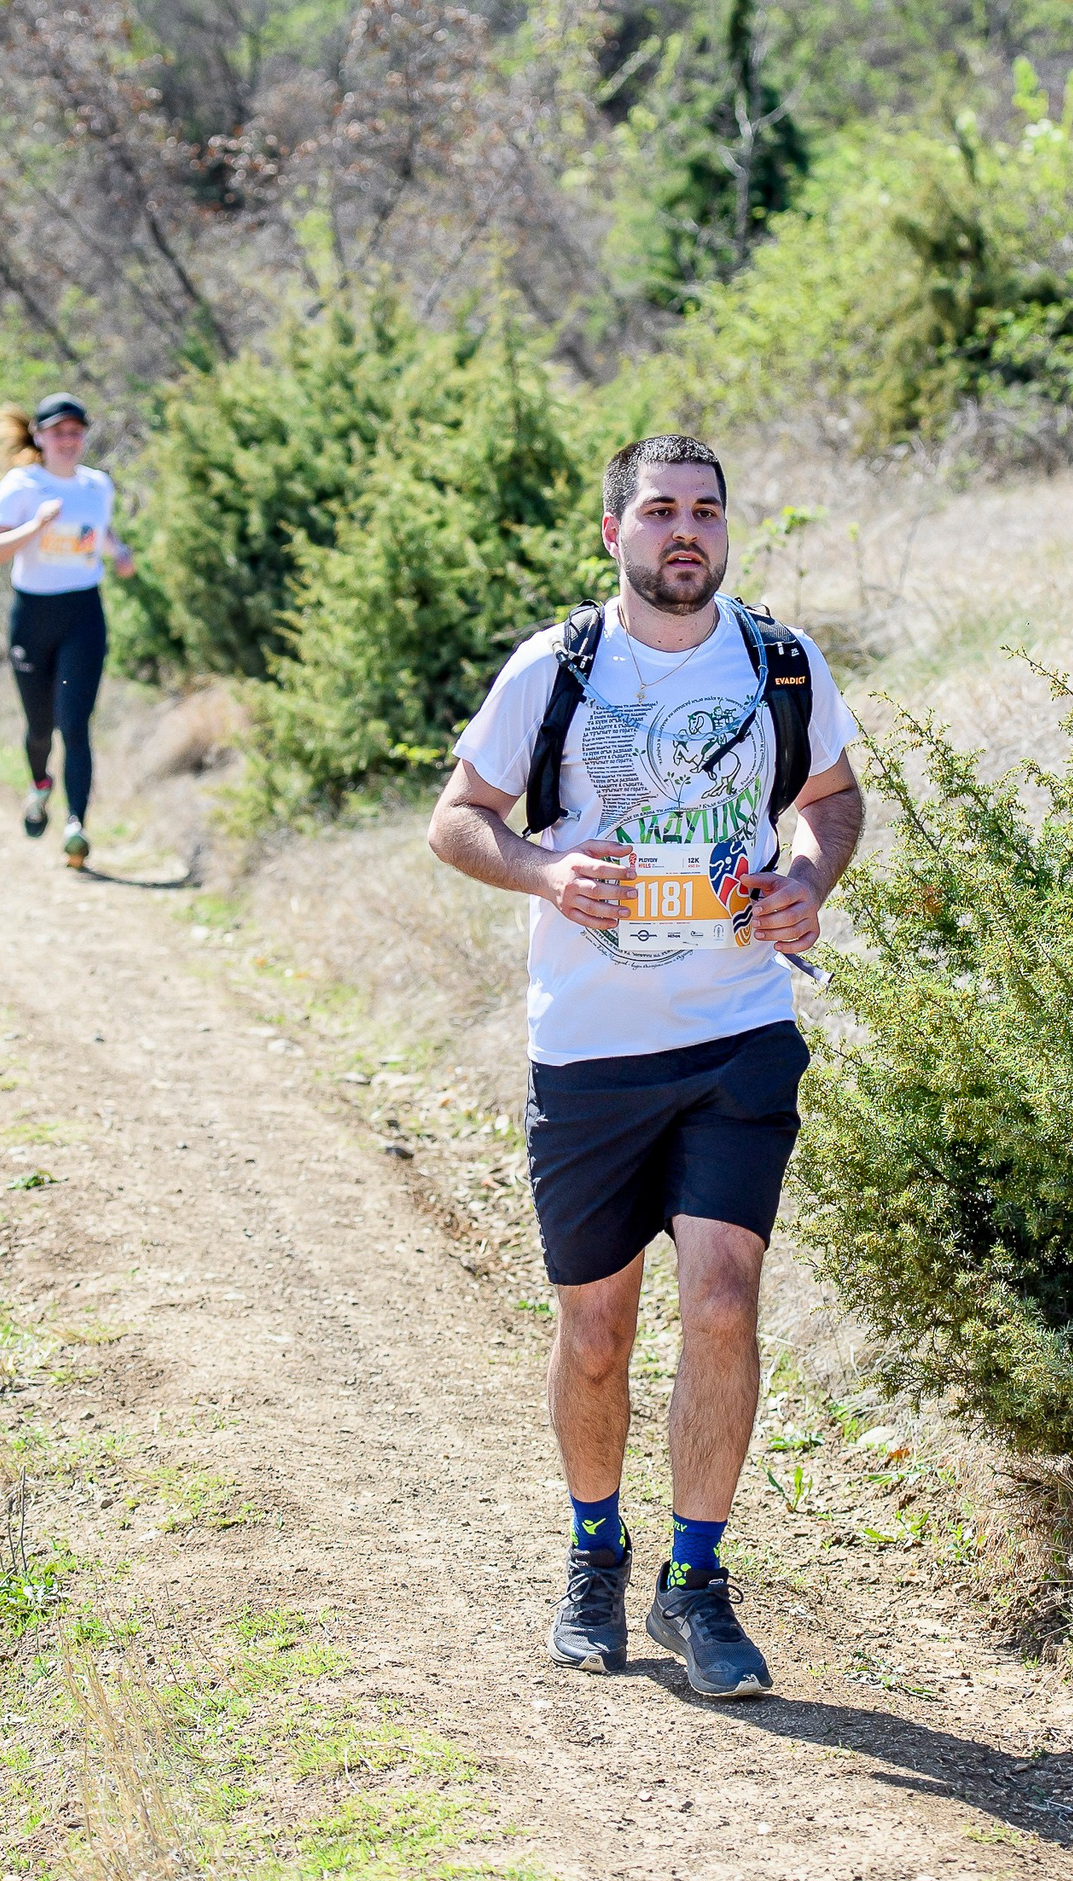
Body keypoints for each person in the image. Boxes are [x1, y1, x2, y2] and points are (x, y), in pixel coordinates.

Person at [426, 434, 864, 1698]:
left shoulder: (781, 664)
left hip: (736, 1032)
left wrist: (804, 880)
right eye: (660, 511)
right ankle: (591, 1550)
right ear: (613, 531)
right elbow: (457, 818)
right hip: (592, 1053)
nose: (686, 532)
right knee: (599, 1330)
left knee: (724, 1299)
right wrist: (546, 870)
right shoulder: (552, 670)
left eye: (706, 513)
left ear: (727, 532)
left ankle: (697, 1581)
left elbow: (831, 799)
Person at [0, 393, 134, 870]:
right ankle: (39, 784)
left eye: (76, 432)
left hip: (83, 614)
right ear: (41, 437)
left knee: (76, 725)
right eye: (59, 432)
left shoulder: (97, 486)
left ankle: (76, 826)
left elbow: (99, 534)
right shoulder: (20, 485)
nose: (69, 441)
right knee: (40, 728)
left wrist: (120, 552)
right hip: (33, 615)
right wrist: (36, 525)